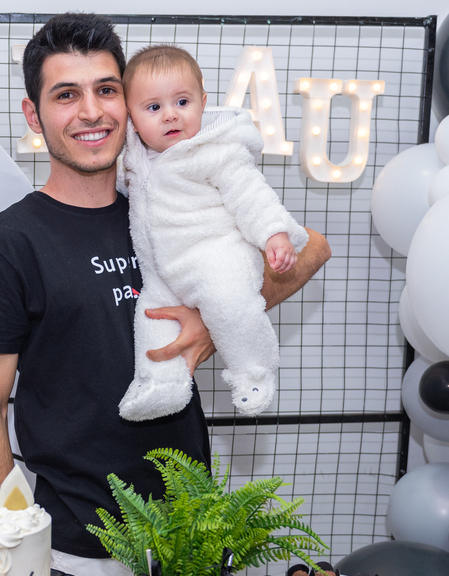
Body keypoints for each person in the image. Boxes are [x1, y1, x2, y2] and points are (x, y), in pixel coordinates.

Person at [0, 13, 331, 576]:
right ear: (34, 114)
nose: (91, 111)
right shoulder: (8, 245)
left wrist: (214, 320)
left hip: (189, 540)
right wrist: (11, 549)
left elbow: (313, 248)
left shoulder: (169, 203)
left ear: (128, 103)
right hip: (79, 552)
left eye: (106, 90)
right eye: (66, 94)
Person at [117, 44, 308, 422]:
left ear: (202, 103)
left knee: (231, 306)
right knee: (152, 320)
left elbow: (250, 195)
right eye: (153, 107)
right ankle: (161, 386)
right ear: (132, 119)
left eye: (182, 102)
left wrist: (274, 233)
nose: (170, 114)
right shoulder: (134, 158)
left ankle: (253, 371)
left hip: (217, 257)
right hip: (164, 272)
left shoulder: (216, 151)